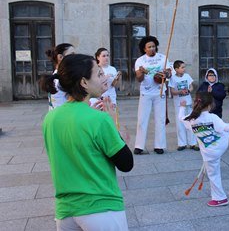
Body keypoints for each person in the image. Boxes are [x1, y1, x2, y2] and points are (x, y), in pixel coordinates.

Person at [41, 54, 133, 230]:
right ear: (83, 82)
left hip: (65, 212)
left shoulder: (50, 118)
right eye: (99, 74)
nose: (104, 78)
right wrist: (114, 127)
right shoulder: (99, 120)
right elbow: (126, 163)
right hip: (101, 209)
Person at [179, 92, 229, 207]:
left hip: (209, 152)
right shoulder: (212, 117)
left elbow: (181, 118)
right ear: (210, 105)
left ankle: (220, 198)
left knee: (213, 175)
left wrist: (182, 107)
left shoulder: (191, 120)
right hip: (219, 146)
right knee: (225, 130)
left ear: (196, 103)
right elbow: (226, 128)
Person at [134, 36, 172, 155]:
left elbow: (169, 74)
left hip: (159, 92)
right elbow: (139, 79)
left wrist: (166, 73)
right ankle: (139, 146)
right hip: (146, 92)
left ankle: (159, 145)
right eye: (149, 47)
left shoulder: (163, 58)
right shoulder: (140, 60)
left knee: (160, 119)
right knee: (142, 119)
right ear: (144, 49)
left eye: (153, 46)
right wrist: (141, 72)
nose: (152, 49)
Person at [168, 60, 198, 151]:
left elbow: (191, 87)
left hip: (188, 103)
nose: (184, 69)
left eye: (184, 67)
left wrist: (189, 90)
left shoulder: (187, 76)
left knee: (191, 122)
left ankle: (193, 143)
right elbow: (172, 91)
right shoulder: (173, 78)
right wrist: (180, 92)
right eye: (182, 67)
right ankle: (182, 143)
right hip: (179, 104)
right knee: (180, 123)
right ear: (176, 69)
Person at [43, 43, 75, 110]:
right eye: (72, 54)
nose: (75, 57)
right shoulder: (64, 77)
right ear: (60, 57)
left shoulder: (57, 74)